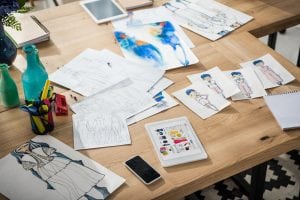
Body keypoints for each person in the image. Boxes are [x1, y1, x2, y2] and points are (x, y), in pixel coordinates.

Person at [11, 140, 110, 200]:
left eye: (24, 145)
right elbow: (31, 168)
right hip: (46, 171)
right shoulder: (24, 159)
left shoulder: (39, 149)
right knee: (66, 183)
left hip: (57, 163)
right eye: (20, 149)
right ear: (18, 152)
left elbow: (52, 151)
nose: (24, 148)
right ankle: (88, 197)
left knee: (78, 174)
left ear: (29, 144)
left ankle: (100, 189)